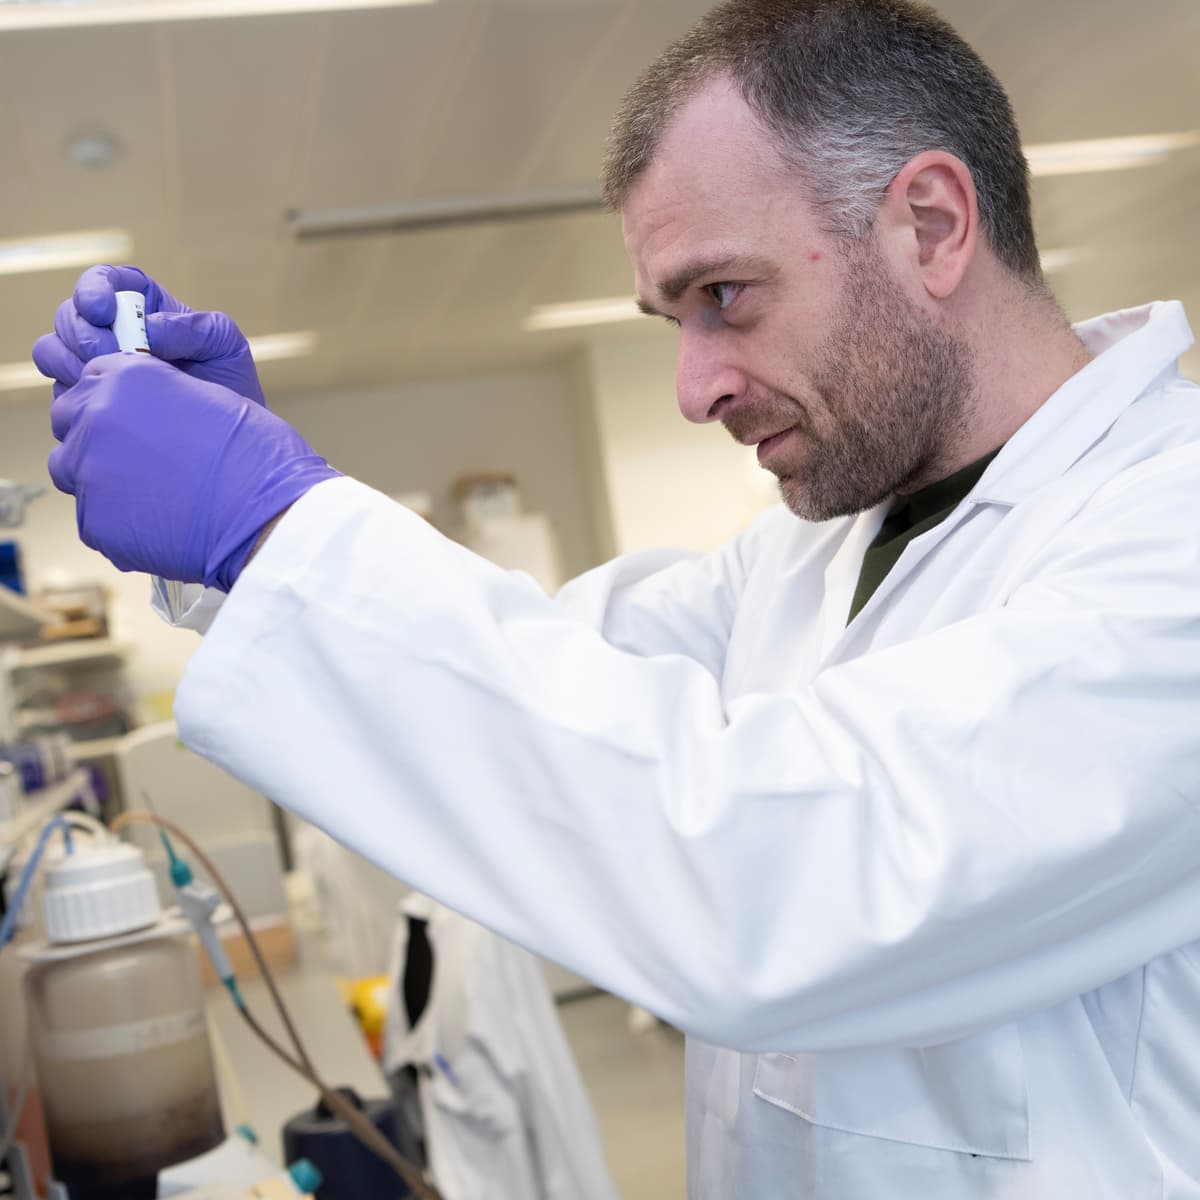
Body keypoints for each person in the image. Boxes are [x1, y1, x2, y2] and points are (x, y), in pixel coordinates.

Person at [31, 0, 1200, 1195]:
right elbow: (537, 699)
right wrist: (250, 547)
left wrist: (275, 520)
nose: (693, 388)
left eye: (725, 296)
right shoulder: (814, 547)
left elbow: (780, 875)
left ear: (932, 225)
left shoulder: (1170, 542)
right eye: (673, 318)